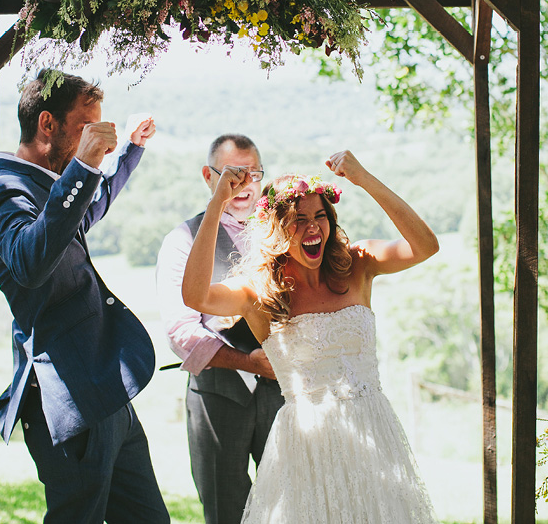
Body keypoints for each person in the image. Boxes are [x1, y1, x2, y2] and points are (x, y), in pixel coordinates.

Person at [182, 149, 440, 524]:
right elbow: (195, 296)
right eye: (298, 220)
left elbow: (425, 246)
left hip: (372, 433)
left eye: (320, 216)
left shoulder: (358, 264)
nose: (313, 228)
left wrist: (364, 178)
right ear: (276, 228)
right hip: (306, 449)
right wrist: (218, 202)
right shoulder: (258, 291)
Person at [0, 69, 169, 524]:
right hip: (67, 401)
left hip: (107, 393)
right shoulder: (4, 191)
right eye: (86, 128)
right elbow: (30, 262)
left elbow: (87, 208)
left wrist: (130, 150)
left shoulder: (50, 185)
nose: (96, 141)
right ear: (47, 123)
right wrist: (82, 168)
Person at [156, 134, 284, 524]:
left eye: (253, 174)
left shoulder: (281, 232)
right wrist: (246, 362)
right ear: (208, 176)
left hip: (282, 394)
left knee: (291, 505)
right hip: (217, 395)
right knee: (225, 512)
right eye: (233, 174)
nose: (244, 185)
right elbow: (180, 330)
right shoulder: (182, 240)